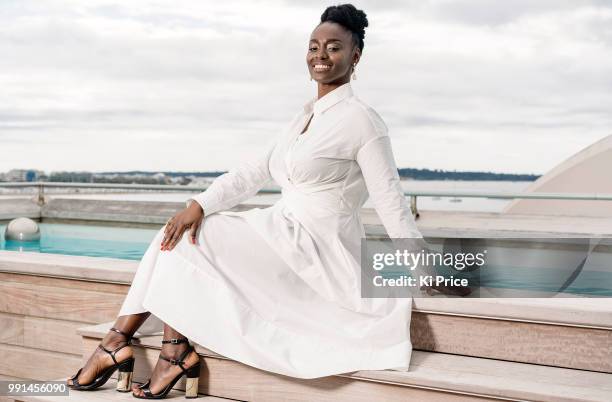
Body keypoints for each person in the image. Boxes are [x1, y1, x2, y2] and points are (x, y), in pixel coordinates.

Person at [66, 3, 425, 399]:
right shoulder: (304, 117)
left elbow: (391, 200)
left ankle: (127, 347)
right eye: (313, 46)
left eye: (334, 47)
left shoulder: (362, 121)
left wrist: (424, 265)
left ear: (355, 56)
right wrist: (198, 204)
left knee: (194, 239)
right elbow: (252, 173)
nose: (320, 55)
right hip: (282, 230)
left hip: (318, 248)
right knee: (187, 228)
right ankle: (141, 347)